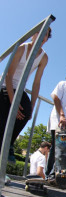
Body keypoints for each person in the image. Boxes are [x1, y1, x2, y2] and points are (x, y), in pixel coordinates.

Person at [0, 28, 52, 163]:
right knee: (4, 120)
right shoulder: (22, 49)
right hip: (6, 85)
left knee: (26, 111)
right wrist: (13, 103)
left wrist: (32, 106)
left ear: (46, 39)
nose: (42, 36)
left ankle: (9, 144)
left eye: (45, 34)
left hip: (19, 88)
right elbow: (8, 76)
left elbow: (36, 83)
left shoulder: (43, 57)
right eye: (39, 32)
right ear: (33, 35)